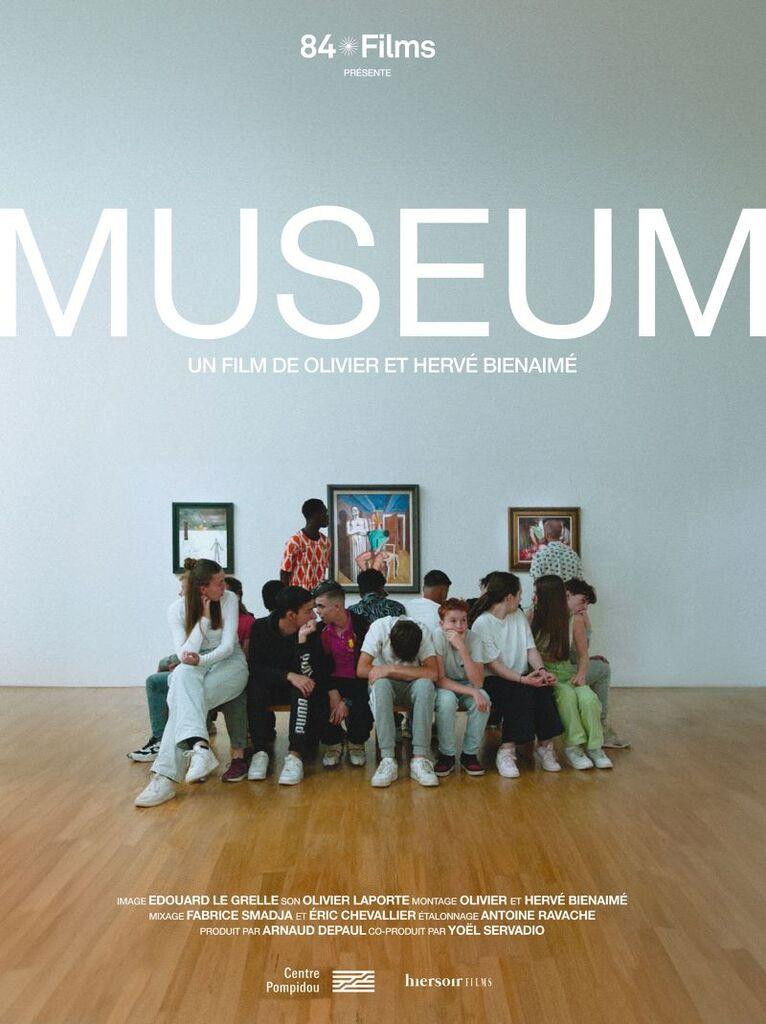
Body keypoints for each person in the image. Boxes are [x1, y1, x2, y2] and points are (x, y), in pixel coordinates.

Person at [134, 559, 249, 807]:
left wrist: (201, 660)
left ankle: (165, 777)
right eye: (219, 582)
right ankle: (199, 750)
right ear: (202, 589)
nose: (224, 586)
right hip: (195, 665)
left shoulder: (229, 599)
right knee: (181, 676)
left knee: (180, 704)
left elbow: (228, 648)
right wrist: (203, 621)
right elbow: (184, 653)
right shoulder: (176, 610)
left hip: (231, 665)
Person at [470, 572, 562, 777]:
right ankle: (506, 750)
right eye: (519, 594)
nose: (522, 598)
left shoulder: (518, 616)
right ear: (509, 597)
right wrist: (522, 679)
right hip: (493, 680)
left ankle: (545, 747)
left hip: (520, 677)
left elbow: (531, 649)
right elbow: (493, 664)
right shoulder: (482, 623)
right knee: (518, 691)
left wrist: (541, 671)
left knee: (544, 689)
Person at [246, 586, 330, 785]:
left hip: (298, 689)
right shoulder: (260, 628)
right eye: (308, 611)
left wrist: (302, 642)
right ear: (291, 615)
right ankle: (260, 751)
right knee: (254, 686)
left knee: (304, 687)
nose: (314, 615)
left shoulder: (312, 632)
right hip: (271, 684)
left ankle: (295, 754)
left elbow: (311, 674)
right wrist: (288, 675)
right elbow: (255, 667)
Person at [530, 575, 612, 769]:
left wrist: (582, 674)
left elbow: (583, 655)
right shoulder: (532, 616)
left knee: (589, 699)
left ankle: (595, 747)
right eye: (583, 601)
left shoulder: (575, 620)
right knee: (566, 697)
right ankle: (573, 747)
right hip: (546, 672)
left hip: (567, 670)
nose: (585, 607)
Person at [357, 617, 439, 788]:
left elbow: (433, 673)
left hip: (413, 684)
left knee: (426, 685)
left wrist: (391, 668)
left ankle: (420, 759)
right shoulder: (379, 628)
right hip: (388, 684)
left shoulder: (422, 631)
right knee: (380, 684)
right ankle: (387, 759)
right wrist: (390, 672)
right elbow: (362, 669)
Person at [564, 579, 630, 749]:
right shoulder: (574, 619)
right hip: (558, 673)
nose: (585, 607)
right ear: (568, 595)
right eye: (583, 601)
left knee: (599, 665)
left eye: (587, 604)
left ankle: (595, 725)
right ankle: (600, 728)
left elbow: (576, 655)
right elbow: (575, 656)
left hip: (557, 669)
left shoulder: (568, 616)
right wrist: (586, 627)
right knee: (603, 669)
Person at [313, 581, 372, 767]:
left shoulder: (362, 626)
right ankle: (333, 743)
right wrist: (333, 693)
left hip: (358, 681)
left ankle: (356, 742)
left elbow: (368, 666)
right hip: (331, 681)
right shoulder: (318, 630)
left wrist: (346, 701)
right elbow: (319, 667)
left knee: (360, 708)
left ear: (337, 606)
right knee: (320, 701)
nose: (317, 611)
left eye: (321, 606)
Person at [432, 599, 490, 777]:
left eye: (463, 620)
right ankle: (446, 755)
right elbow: (440, 680)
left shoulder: (474, 638)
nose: (459, 626)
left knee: (484, 699)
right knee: (447, 701)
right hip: (445, 685)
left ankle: (469, 754)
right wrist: (473, 691)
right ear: (442, 624)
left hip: (467, 684)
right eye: (453, 621)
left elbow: (478, 682)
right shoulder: (437, 636)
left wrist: (463, 649)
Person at [280, 498, 331, 592]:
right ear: (316, 515)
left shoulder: (326, 542)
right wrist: (286, 597)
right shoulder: (295, 541)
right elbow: (284, 573)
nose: (328, 516)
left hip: (317, 597)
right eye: (325, 513)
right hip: (298, 597)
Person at [346, 505, 370, 582]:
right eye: (353, 510)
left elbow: (367, 531)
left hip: (362, 541)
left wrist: (358, 531)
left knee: (362, 558)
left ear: (359, 511)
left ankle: (363, 578)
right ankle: (355, 578)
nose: (355, 511)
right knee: (354, 557)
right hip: (354, 542)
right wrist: (358, 530)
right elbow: (348, 533)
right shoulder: (349, 522)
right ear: (351, 512)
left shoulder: (364, 520)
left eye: (356, 510)